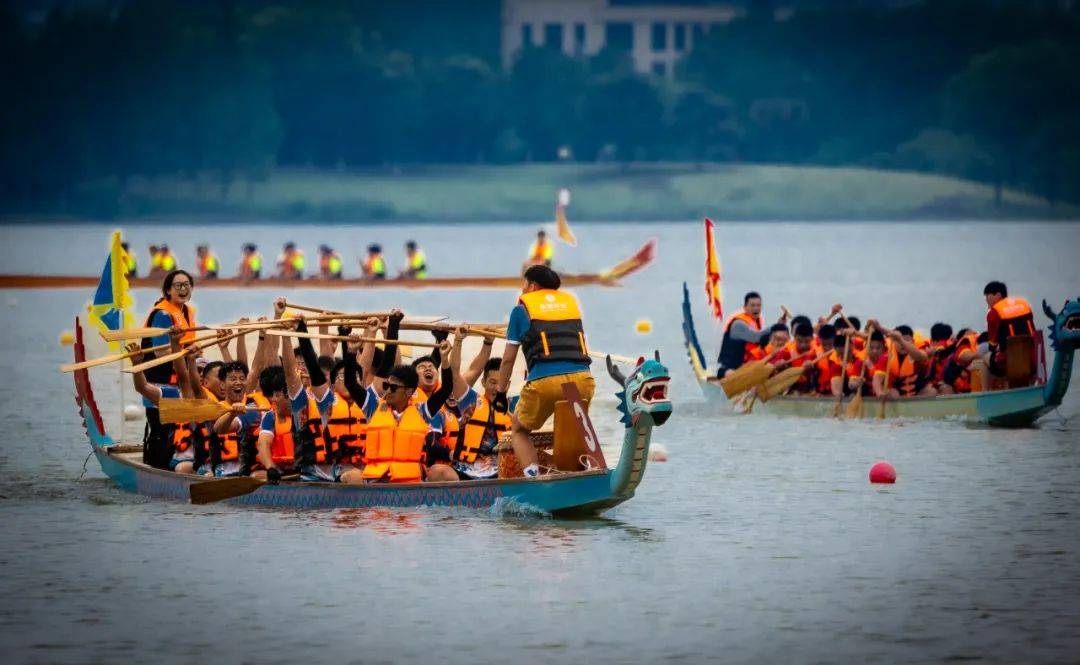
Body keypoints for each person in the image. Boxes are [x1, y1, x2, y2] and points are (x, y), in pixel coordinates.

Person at [494, 265, 594, 479]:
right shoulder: (570, 304)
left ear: (532, 286)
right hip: (583, 380)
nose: (522, 289)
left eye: (524, 284)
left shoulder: (521, 310)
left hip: (546, 383)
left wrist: (501, 392)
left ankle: (533, 478)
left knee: (518, 429)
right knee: (572, 426)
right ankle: (578, 470)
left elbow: (508, 359)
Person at [141, 270, 198, 387]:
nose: (183, 288)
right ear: (168, 290)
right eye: (178, 285)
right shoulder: (162, 314)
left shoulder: (188, 311)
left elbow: (189, 342)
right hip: (160, 381)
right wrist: (189, 352)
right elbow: (161, 353)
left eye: (186, 284)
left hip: (180, 378)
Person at [983, 280, 1036, 385]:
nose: (986, 300)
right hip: (1032, 358)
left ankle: (987, 391)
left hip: (1009, 361)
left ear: (998, 295)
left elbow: (992, 345)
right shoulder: (1024, 305)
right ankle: (1031, 385)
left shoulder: (994, 313)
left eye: (988, 295)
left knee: (986, 357)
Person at [716, 291, 765, 378]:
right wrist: (776, 328)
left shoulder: (756, 321)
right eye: (753, 305)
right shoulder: (738, 324)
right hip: (732, 367)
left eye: (758, 305)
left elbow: (764, 341)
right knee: (731, 373)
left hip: (747, 364)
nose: (756, 308)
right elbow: (756, 338)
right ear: (745, 307)